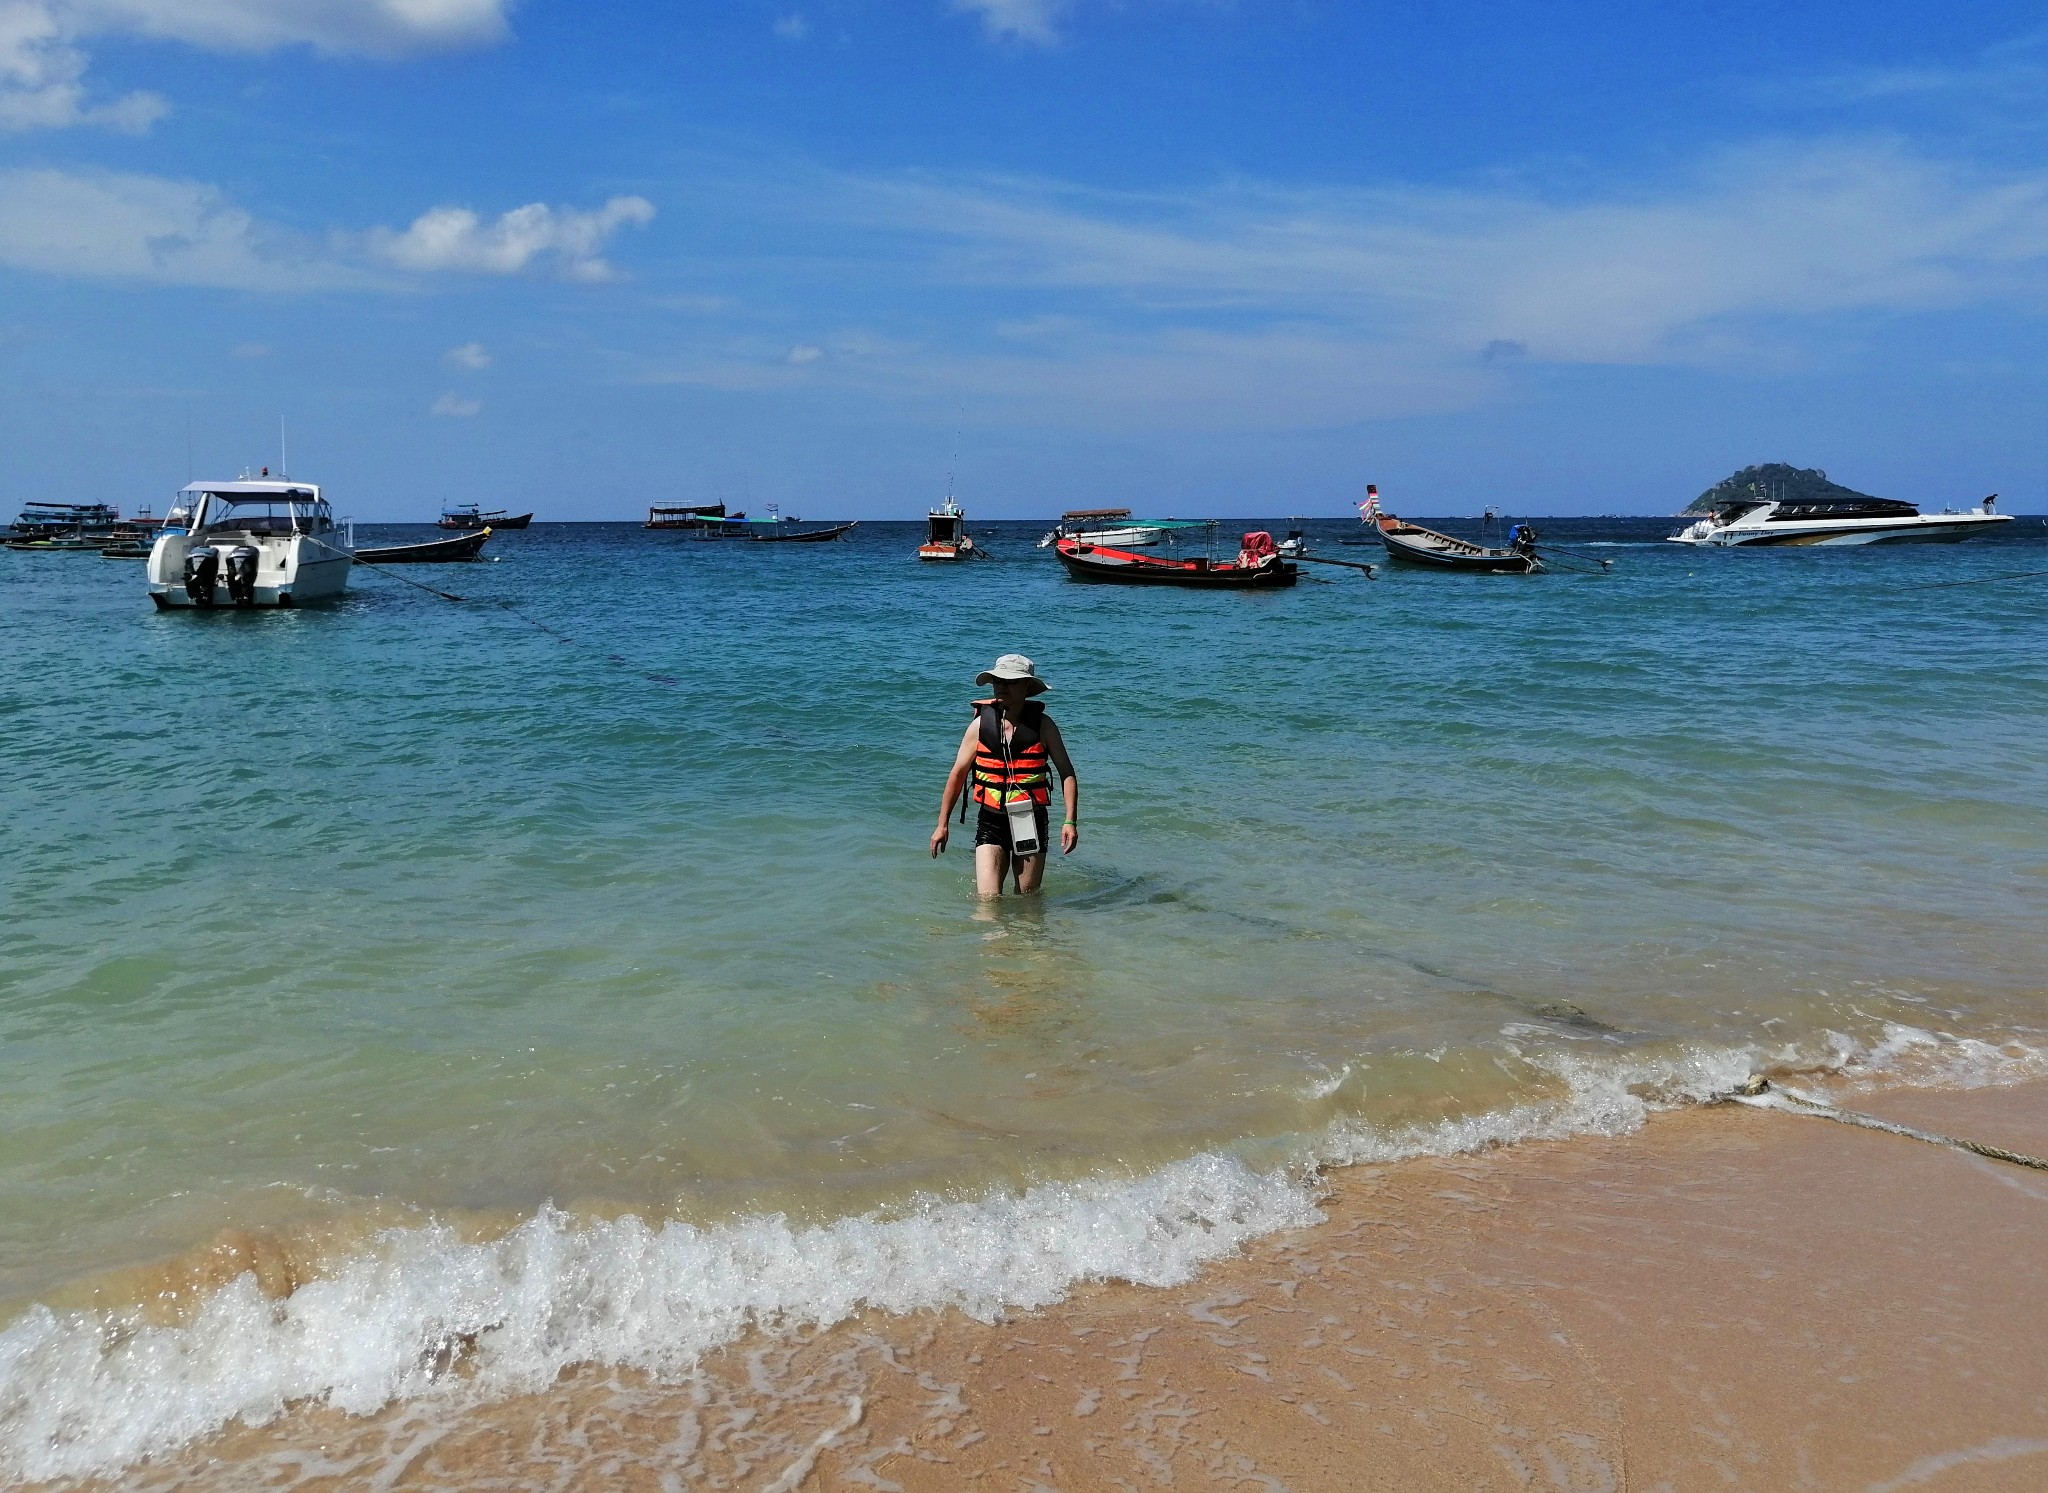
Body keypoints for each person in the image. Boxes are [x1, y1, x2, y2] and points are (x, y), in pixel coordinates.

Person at [930, 654, 1079, 897]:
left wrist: (1070, 821)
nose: (1001, 686)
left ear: (1028, 687)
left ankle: (1025, 936)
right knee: (987, 899)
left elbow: (1067, 773)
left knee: (1028, 898)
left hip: (1029, 820)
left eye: (1010, 681)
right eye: (997, 680)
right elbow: (957, 774)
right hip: (991, 820)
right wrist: (942, 824)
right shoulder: (980, 726)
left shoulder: (1044, 726)